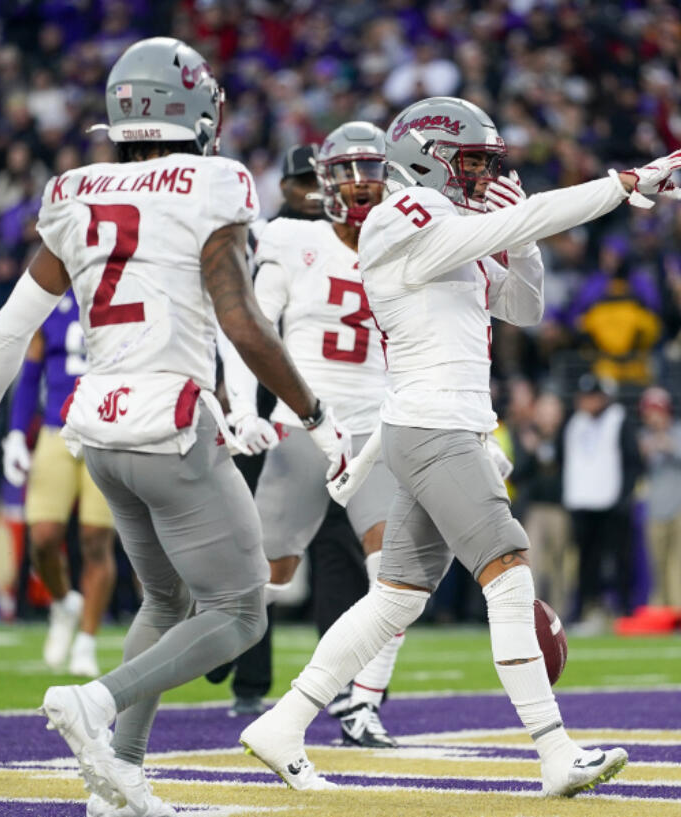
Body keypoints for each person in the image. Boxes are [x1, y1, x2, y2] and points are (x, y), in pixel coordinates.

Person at [0, 37, 350, 817]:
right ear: (195, 109)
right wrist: (314, 411)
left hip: (97, 428)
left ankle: (119, 778)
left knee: (165, 602)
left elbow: (10, 327)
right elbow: (245, 322)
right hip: (170, 425)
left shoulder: (76, 189)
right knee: (240, 611)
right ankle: (97, 701)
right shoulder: (214, 182)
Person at [240, 95, 681, 797]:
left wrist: (521, 242)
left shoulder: (448, 221)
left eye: (489, 161)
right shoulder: (403, 214)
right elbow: (521, 219)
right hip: (435, 426)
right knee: (510, 570)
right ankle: (554, 752)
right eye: (474, 159)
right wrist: (622, 184)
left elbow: (524, 305)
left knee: (394, 600)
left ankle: (284, 722)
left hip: (435, 424)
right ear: (427, 155)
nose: (484, 172)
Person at [218, 122, 406, 745]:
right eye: (347, 173)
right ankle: (214, 627)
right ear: (324, 183)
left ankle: (359, 705)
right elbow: (247, 326)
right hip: (303, 427)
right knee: (270, 580)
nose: (359, 186)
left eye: (370, 172)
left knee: (396, 576)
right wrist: (245, 409)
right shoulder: (290, 238)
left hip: (377, 430)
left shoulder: (408, 242)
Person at [2, 294, 118, 677]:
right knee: (44, 538)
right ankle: (63, 601)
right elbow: (31, 372)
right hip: (56, 428)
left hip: (107, 433)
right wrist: (17, 432)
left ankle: (86, 640)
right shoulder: (52, 299)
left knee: (95, 540)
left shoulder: (121, 288)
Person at [562, 374, 642, 630]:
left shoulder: (619, 419)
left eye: (593, 396)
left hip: (611, 502)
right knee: (586, 561)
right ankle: (585, 609)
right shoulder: (575, 422)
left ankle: (624, 610)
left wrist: (624, 496)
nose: (588, 402)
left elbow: (632, 461)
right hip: (582, 502)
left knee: (620, 559)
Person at [637, 386, 681, 610]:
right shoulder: (643, 437)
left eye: (656, 411)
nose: (652, 417)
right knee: (659, 565)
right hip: (656, 509)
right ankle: (663, 612)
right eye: (648, 412)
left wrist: (669, 445)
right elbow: (637, 469)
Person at [512, 392, 574, 616]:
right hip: (535, 509)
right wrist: (530, 452)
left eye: (552, 411)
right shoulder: (526, 436)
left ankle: (560, 613)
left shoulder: (568, 437)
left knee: (559, 562)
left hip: (560, 508)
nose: (548, 417)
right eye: (544, 411)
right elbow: (516, 475)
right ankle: (533, 613)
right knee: (533, 562)